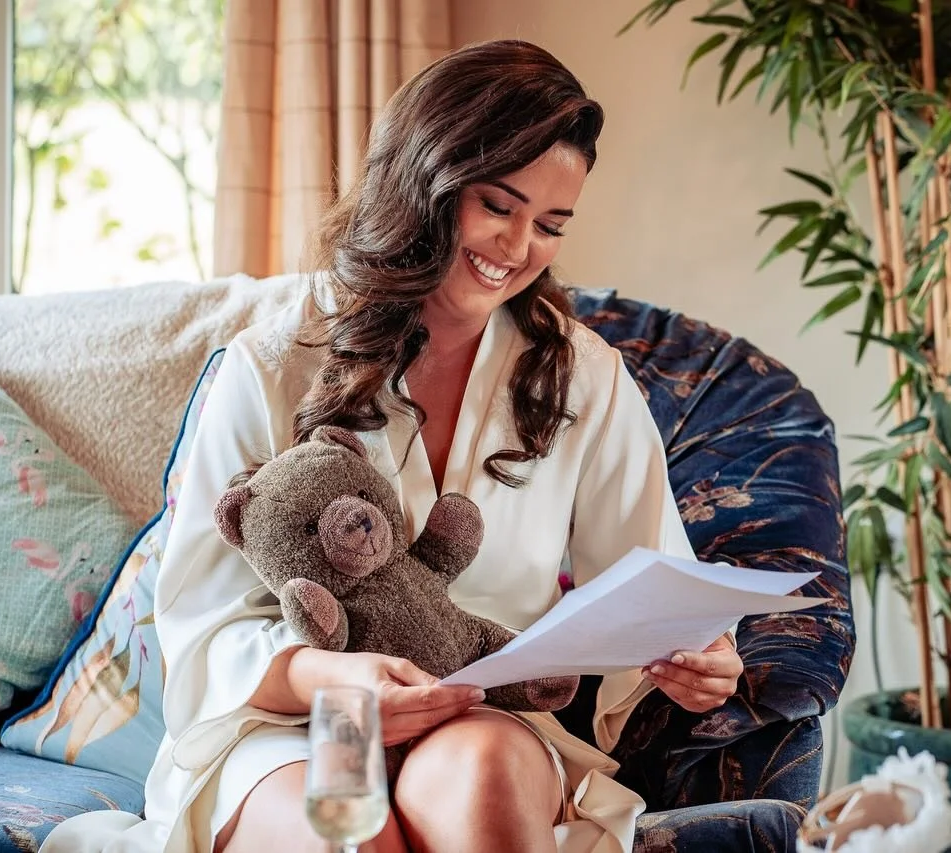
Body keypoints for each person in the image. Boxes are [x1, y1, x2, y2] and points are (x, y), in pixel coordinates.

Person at [40, 39, 744, 853]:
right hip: (305, 721)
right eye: (497, 206)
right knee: (345, 829)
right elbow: (204, 627)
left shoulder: (582, 377)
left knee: (481, 782)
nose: (518, 249)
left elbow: (653, 582)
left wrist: (702, 659)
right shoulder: (271, 366)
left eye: (550, 224)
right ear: (427, 180)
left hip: (483, 717)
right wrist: (336, 675)